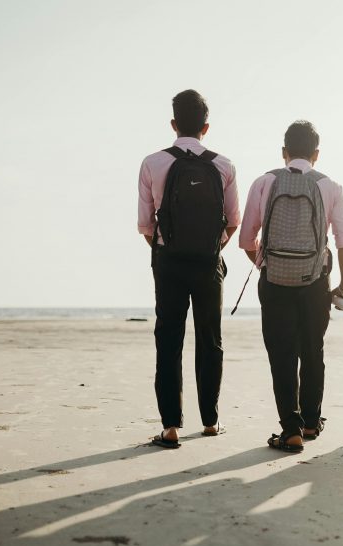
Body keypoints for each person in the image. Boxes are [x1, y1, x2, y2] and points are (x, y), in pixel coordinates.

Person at [239, 120, 343, 453]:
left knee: (282, 355)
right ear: (316, 154)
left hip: (274, 281)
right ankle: (310, 421)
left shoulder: (264, 182)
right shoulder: (329, 186)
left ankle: (290, 429)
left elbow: (248, 239)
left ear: (284, 152)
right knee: (312, 350)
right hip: (315, 282)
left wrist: (267, 265)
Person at [137, 89, 240, 448]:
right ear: (206, 127)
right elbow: (233, 222)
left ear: (173, 123)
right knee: (210, 340)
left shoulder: (153, 163)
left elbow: (145, 225)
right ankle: (210, 421)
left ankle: (170, 427)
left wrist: (167, 248)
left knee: (169, 340)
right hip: (209, 263)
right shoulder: (223, 165)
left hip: (169, 261)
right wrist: (211, 247)